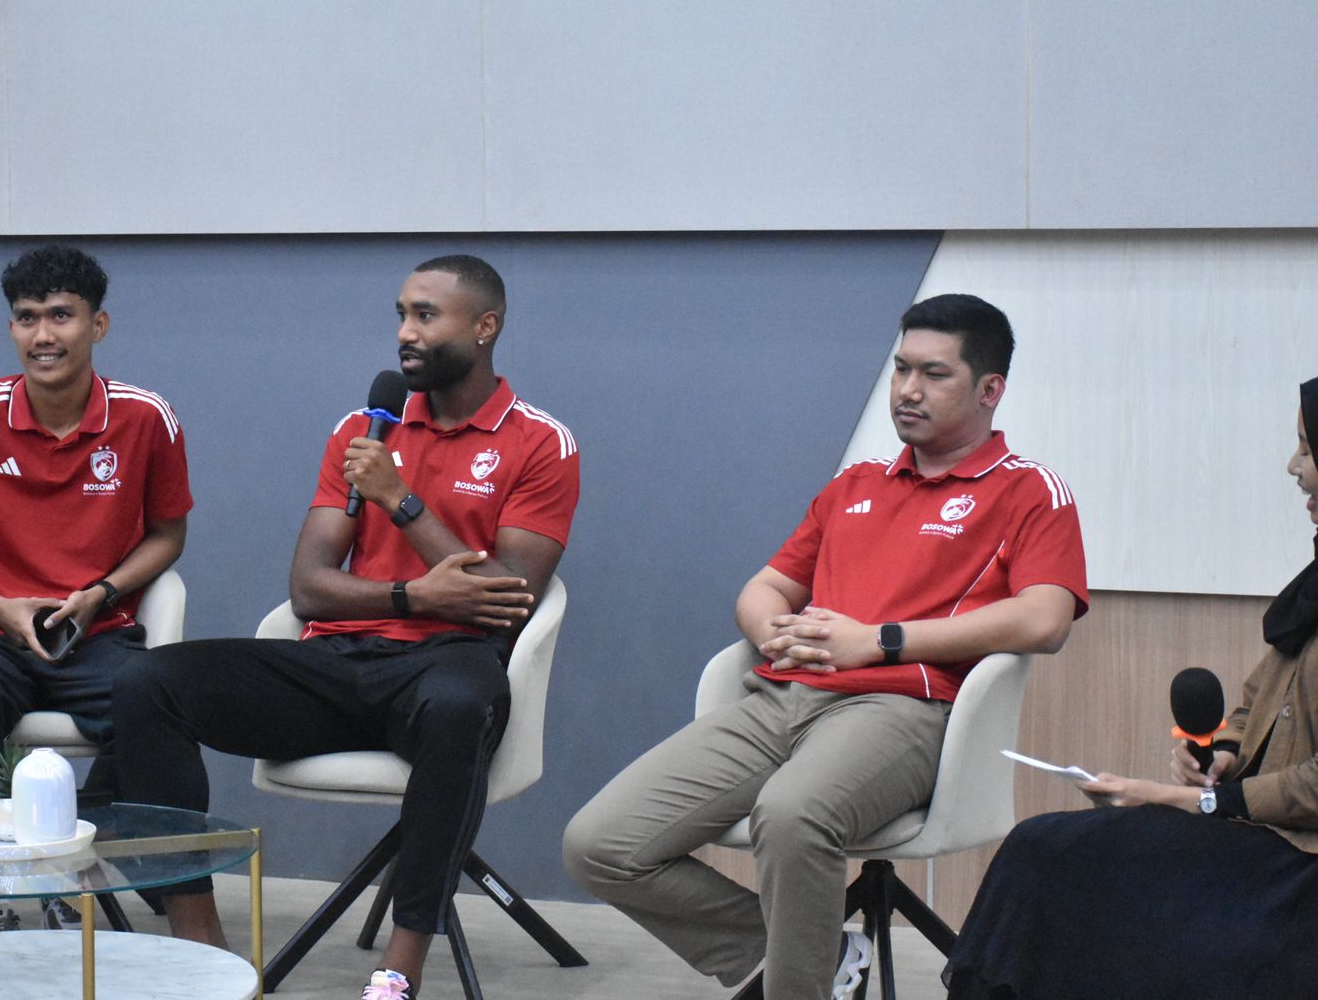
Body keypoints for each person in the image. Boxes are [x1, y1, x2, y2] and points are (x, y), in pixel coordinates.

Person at [564, 294, 1088, 1000]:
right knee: (601, 844)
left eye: (934, 374)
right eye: (902, 368)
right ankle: (814, 955)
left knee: (792, 814)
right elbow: (763, 588)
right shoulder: (855, 483)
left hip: (903, 711)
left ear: (989, 390)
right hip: (779, 698)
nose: (907, 389)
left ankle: (797, 984)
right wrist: (771, 631)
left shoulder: (1028, 490)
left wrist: (879, 642)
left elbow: (1045, 620)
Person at [111, 254, 580, 1000]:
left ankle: (399, 969)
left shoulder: (539, 442)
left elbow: (507, 598)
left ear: (485, 327)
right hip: (339, 662)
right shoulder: (363, 431)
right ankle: (199, 940)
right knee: (146, 682)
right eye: (401, 314)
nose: (406, 333)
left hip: (446, 668)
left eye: (426, 315)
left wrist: (400, 501)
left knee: (460, 706)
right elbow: (309, 588)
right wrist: (413, 596)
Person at [941, 377, 1318, 1000]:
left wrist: (1193, 801)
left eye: (1306, 449)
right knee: (1044, 852)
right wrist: (1224, 753)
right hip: (1255, 828)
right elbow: (1257, 702)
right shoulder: (1310, 587)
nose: (1293, 467)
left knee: (1064, 865)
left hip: (1295, 862)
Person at [0, 243, 192, 806]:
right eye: (27, 318)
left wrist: (101, 593)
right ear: (11, 328)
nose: (43, 336)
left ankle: (107, 843)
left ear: (98, 325)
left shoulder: (146, 417)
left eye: (61, 315)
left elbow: (167, 535)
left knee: (159, 709)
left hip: (98, 634)